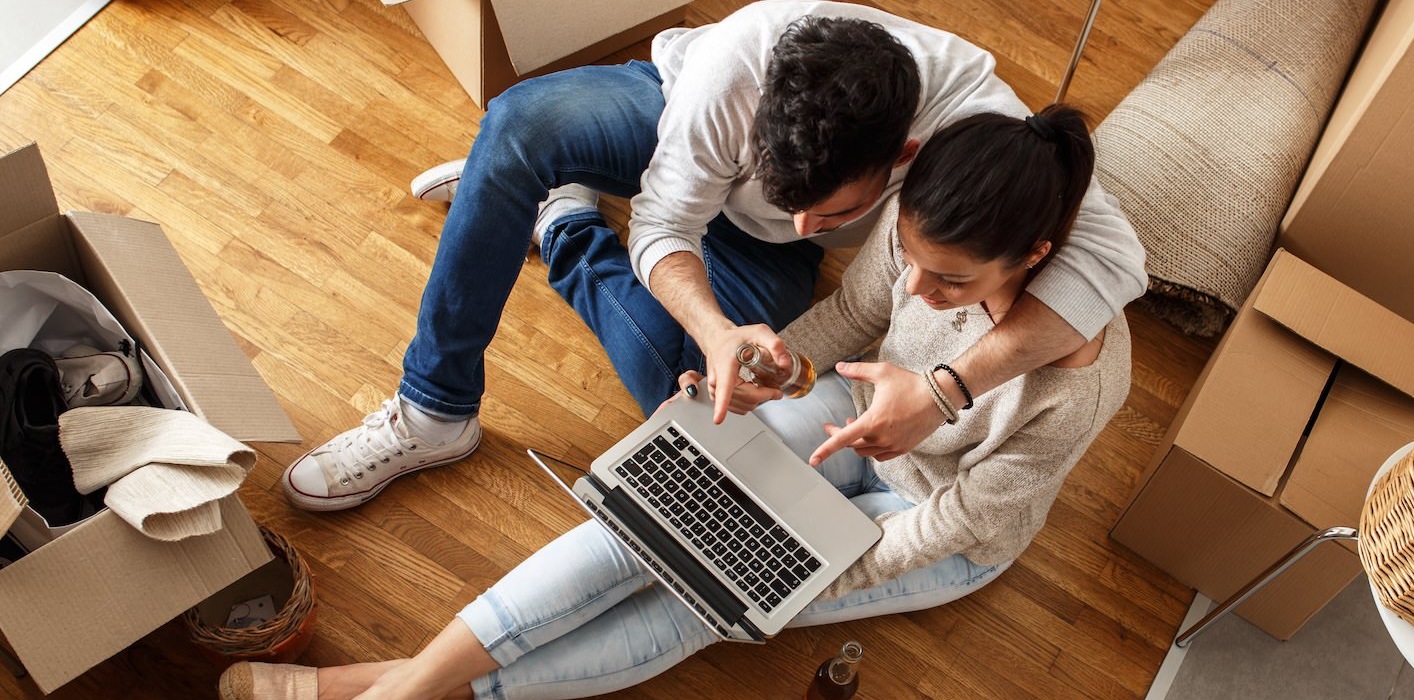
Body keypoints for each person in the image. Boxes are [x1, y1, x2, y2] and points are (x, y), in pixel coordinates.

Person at [219, 105, 1131, 700]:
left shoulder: (1076, 384)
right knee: (657, 514)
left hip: (938, 519)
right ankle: (408, 693)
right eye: (914, 261)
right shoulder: (923, 239)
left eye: (953, 282)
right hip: (857, 425)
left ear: (1037, 257)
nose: (920, 288)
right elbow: (856, 314)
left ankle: (374, 689)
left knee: (699, 596)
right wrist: (768, 364)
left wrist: (784, 567)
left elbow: (965, 517)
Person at [279, 0, 1145, 512]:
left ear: (908, 156)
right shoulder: (728, 76)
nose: (808, 226)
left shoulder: (971, 119)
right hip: (669, 120)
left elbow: (1114, 262)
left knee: (703, 402)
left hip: (745, 226)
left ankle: (565, 224)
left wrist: (946, 389)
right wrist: (712, 318)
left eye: (833, 215)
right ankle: (435, 410)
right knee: (517, 128)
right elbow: (665, 225)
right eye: (791, 197)